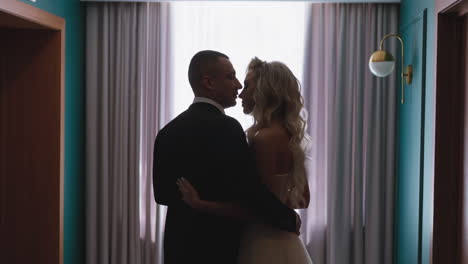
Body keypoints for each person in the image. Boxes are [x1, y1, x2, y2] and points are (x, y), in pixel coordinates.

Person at [153, 50, 300, 264]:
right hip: (218, 246)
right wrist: (287, 218)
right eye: (231, 77)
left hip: (178, 247)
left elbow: (162, 195)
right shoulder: (228, 128)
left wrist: (196, 199)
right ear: (209, 82)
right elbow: (249, 191)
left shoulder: (167, 131)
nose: (238, 85)